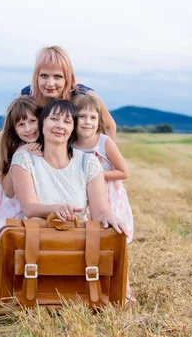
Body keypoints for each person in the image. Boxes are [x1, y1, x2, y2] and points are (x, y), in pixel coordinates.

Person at [10, 99, 124, 233]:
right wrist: (55, 209)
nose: (60, 125)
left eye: (67, 121)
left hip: (80, 242)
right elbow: (29, 208)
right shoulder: (24, 159)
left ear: (73, 128)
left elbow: (100, 211)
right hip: (37, 240)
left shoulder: (89, 163)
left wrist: (108, 216)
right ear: (42, 123)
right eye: (54, 119)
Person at [73, 94, 137, 303]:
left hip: (109, 197)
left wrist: (95, 174)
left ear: (98, 121)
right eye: (82, 117)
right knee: (90, 244)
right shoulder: (70, 145)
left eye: (92, 118)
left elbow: (123, 172)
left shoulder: (104, 142)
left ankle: (124, 291)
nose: (87, 122)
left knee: (115, 243)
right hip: (85, 200)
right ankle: (92, 290)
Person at [20, 46, 117, 140]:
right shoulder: (27, 96)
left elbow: (109, 126)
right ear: (36, 77)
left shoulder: (84, 95)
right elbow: (11, 130)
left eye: (57, 76)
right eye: (44, 75)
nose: (50, 84)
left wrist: (104, 154)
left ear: (68, 78)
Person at [0, 96, 42, 234]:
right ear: (14, 129)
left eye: (33, 121)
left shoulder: (48, 144)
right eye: (21, 124)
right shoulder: (13, 147)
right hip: (13, 209)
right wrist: (19, 154)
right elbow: (8, 191)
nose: (28, 129)